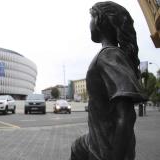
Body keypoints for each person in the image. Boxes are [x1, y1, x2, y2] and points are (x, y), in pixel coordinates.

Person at [70, 1, 146, 160]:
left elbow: (126, 116)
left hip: (106, 150)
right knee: (77, 147)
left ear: (99, 21)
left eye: (91, 17)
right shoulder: (112, 55)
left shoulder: (109, 55)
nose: (89, 23)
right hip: (96, 140)